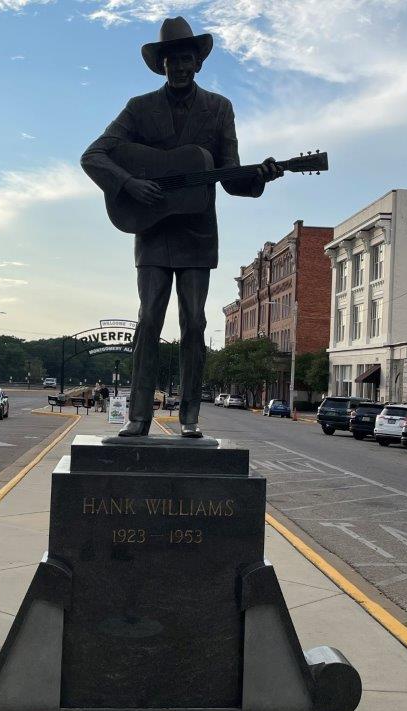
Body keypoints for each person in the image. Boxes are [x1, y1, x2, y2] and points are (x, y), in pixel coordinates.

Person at [81, 16, 283, 438]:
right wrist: (131, 183)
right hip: (152, 229)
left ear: (198, 63)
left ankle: (190, 416)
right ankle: (139, 416)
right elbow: (94, 155)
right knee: (148, 320)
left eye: (187, 59)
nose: (180, 66)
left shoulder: (219, 108)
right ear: (162, 65)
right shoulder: (139, 109)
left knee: (194, 322)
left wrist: (258, 177)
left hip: (197, 231)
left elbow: (229, 177)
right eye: (173, 59)